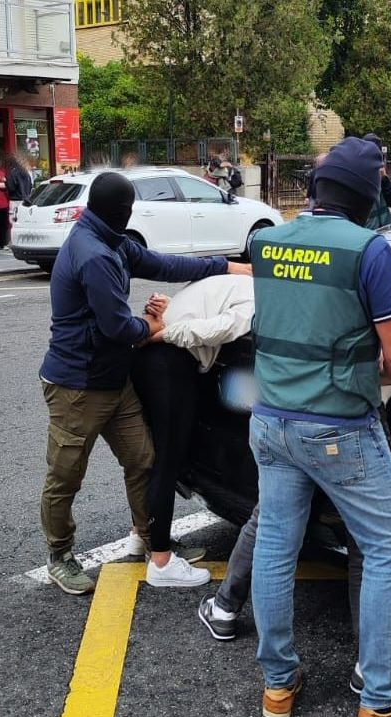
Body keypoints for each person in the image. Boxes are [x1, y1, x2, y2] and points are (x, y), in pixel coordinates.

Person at [246, 137, 391, 717]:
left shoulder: (269, 241)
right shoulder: (368, 251)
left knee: (276, 548)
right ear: (368, 198)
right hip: (338, 429)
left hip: (270, 422)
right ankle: (383, 704)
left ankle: (279, 684)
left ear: (315, 189)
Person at [197, 266, 391, 707]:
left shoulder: (381, 292)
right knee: (378, 543)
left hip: (282, 411)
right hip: (345, 424)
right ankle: (375, 669)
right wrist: (346, 378)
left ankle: (233, 620)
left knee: (274, 530)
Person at [37, 171, 253, 595]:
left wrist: (226, 265)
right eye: (129, 209)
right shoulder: (94, 254)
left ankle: (147, 536)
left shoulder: (112, 240)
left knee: (144, 461)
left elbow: (164, 264)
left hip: (115, 382)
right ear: (121, 212)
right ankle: (59, 555)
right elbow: (118, 326)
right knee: (66, 476)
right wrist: (154, 324)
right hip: (77, 388)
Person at [129, 275, 255, 588]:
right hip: (169, 366)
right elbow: (220, 328)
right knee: (167, 460)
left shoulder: (234, 282)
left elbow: (197, 311)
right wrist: (163, 334)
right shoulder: (261, 297)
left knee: (157, 453)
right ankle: (161, 561)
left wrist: (168, 317)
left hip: (148, 366)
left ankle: (139, 535)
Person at [363, 134, 391, 230]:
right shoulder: (357, 178)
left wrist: (384, 179)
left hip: (387, 231)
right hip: (368, 234)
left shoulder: (382, 179)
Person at [6, 152, 33, 226]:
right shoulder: (26, 173)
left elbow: (11, 188)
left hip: (15, 200)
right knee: (24, 221)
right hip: (25, 200)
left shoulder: (13, 172)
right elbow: (30, 185)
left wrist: (5, 184)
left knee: (14, 222)